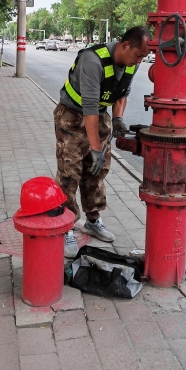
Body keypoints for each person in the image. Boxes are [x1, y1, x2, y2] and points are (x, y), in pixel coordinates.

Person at [54, 26, 150, 258]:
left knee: (97, 171)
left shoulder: (131, 63)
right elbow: (89, 108)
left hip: (98, 115)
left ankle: (92, 220)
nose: (140, 61)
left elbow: (122, 94)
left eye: (142, 58)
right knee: (70, 172)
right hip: (72, 116)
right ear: (125, 45)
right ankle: (65, 226)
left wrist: (117, 118)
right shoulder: (92, 60)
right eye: (138, 55)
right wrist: (95, 148)